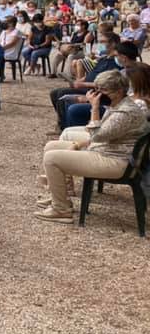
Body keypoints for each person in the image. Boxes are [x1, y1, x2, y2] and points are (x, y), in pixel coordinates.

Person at [35, 70, 149, 223]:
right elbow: (100, 135)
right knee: (52, 146)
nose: (99, 94)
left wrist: (94, 107)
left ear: (120, 91)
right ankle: (62, 196)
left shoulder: (125, 112)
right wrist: (77, 144)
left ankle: (61, 209)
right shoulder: (120, 103)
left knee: (52, 158)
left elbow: (96, 136)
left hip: (116, 161)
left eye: (104, 91)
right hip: (108, 150)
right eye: (98, 89)